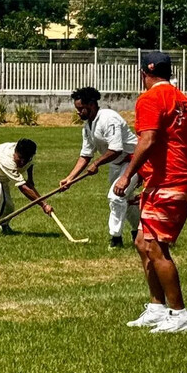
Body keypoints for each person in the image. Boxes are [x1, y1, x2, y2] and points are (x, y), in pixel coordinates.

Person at [114, 52, 187, 333]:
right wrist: (186, 170)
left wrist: (127, 175)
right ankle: (156, 307)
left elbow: (149, 139)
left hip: (168, 184)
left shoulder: (149, 99)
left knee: (156, 247)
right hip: (174, 181)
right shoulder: (184, 100)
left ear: (145, 73)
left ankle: (180, 314)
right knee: (142, 243)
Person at [60, 86, 140, 250]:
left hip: (133, 162)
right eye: (77, 109)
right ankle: (138, 233)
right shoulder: (88, 127)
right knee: (128, 199)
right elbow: (85, 155)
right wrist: (70, 178)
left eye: (81, 109)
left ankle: (115, 239)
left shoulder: (109, 118)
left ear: (91, 105)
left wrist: (96, 164)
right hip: (117, 164)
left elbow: (115, 149)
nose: (78, 113)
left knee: (116, 196)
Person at [0, 139, 53, 238]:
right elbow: (23, 187)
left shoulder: (28, 154)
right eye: (20, 159)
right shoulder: (6, 159)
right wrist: (43, 204)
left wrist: (30, 179)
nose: (22, 163)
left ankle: (4, 225)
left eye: (25, 159)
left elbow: (30, 165)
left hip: (1, 174)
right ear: (15, 152)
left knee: (9, 206)